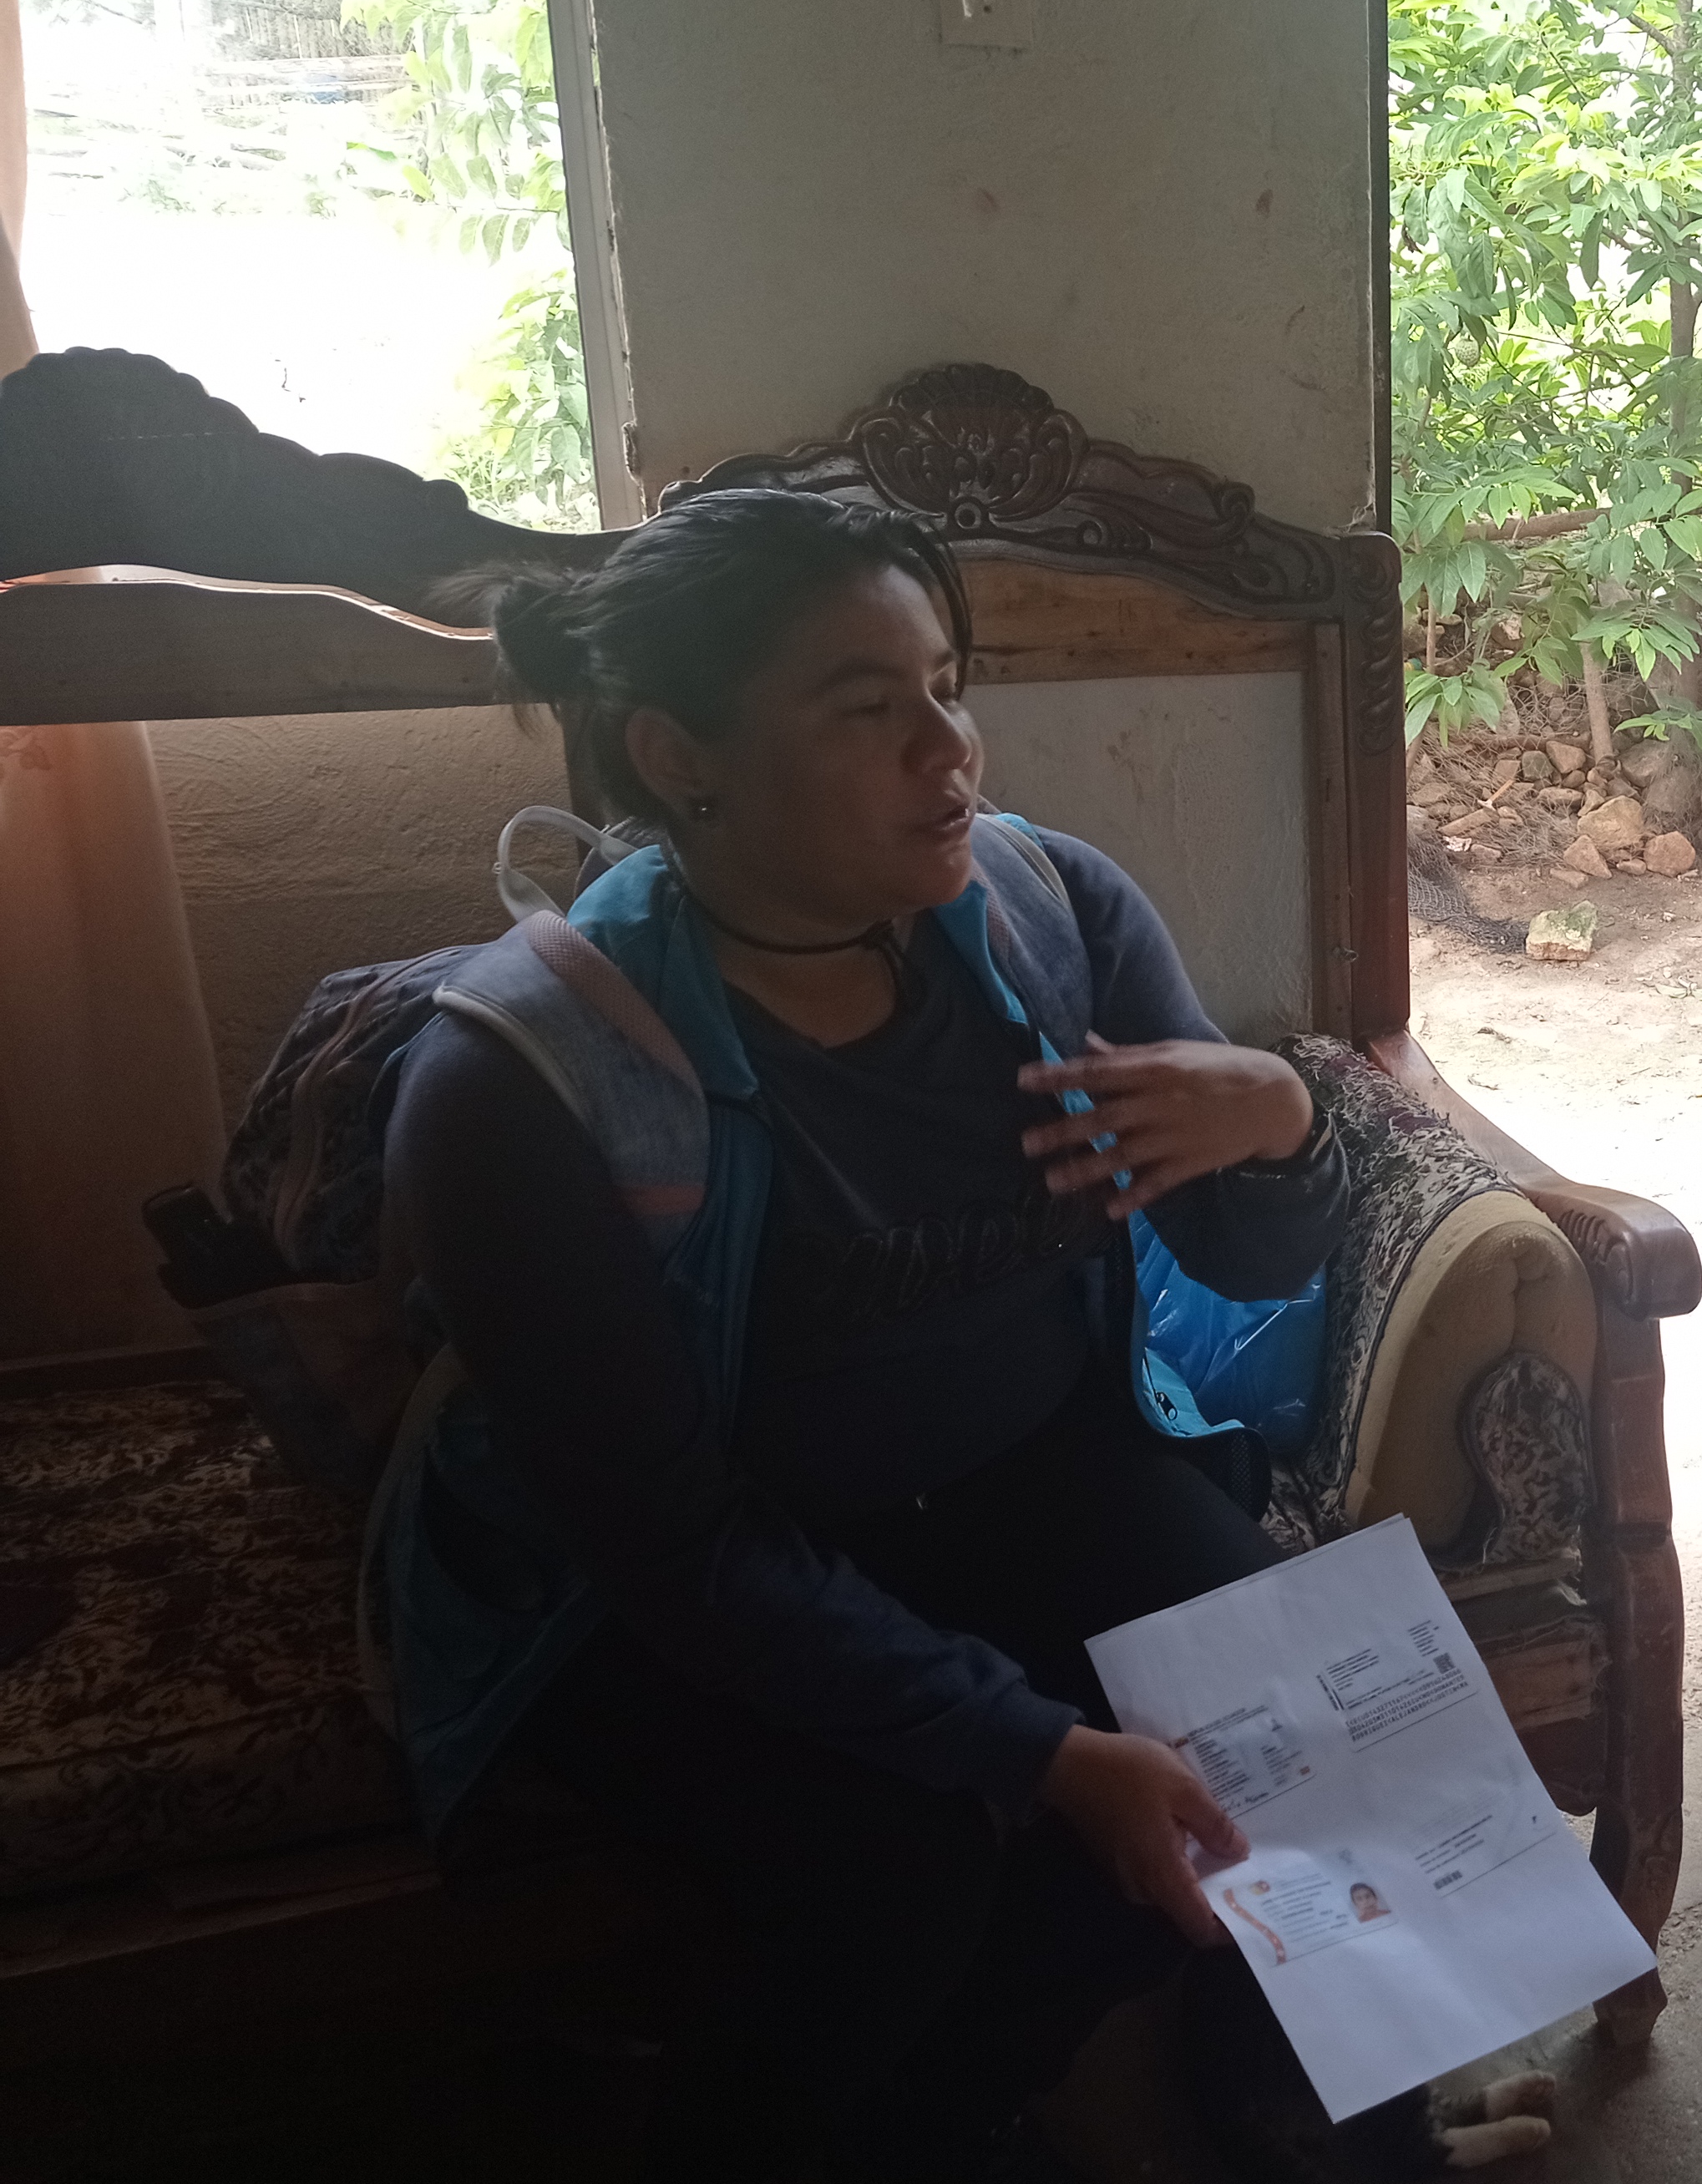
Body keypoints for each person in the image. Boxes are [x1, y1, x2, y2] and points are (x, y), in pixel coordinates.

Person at [384, 490, 1527, 2181]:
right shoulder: (524, 1081)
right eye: (866, 708)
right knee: (897, 1880)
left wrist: (1282, 1120)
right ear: (679, 756)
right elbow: (671, 1548)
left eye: (945, 685)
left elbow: (1243, 1251)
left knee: (1298, 1726)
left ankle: (1280, 2120)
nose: (950, 750)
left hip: (1023, 1467)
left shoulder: (1047, 913)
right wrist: (1042, 1750)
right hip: (682, 1570)